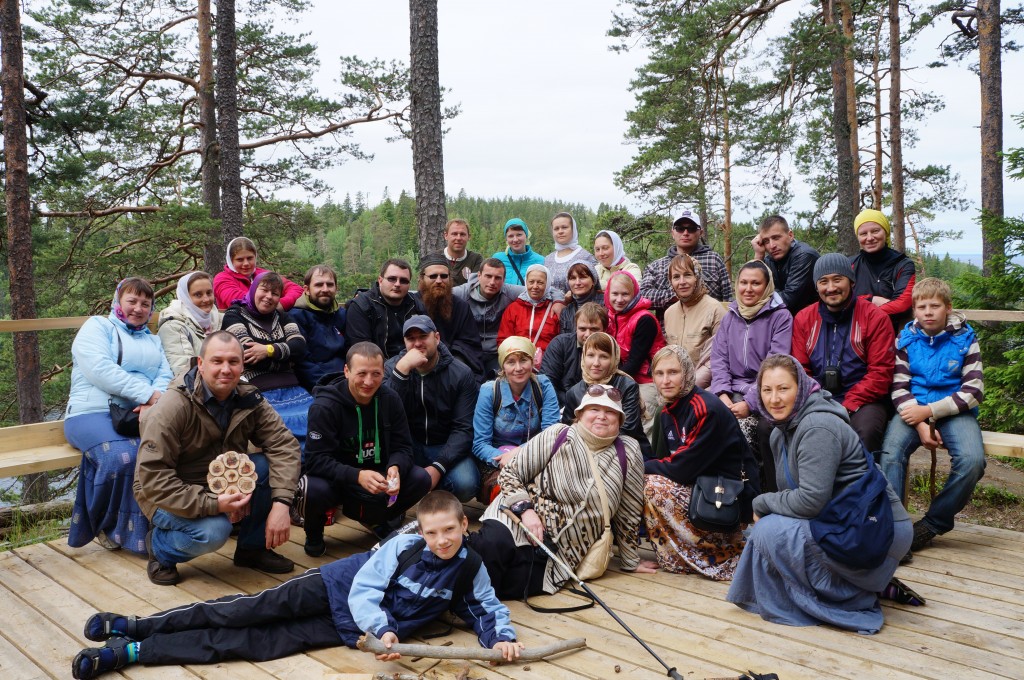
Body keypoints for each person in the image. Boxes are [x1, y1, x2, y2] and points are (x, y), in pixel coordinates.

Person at [71, 491, 523, 680]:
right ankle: (137, 625)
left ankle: (129, 654)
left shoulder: (470, 566)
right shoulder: (404, 547)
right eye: (432, 532)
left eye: (450, 530)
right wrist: (384, 629)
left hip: (350, 631)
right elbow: (365, 589)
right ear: (421, 530)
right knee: (243, 611)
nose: (441, 540)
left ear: (465, 524)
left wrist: (502, 639)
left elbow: (486, 608)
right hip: (336, 590)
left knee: (257, 644)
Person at [726, 354, 912, 634]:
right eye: (767, 390)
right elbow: (795, 496)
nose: (774, 399)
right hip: (843, 522)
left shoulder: (817, 427)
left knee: (768, 530)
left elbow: (810, 502)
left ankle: (851, 592)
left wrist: (761, 502)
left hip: (876, 530)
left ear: (800, 387)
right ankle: (855, 582)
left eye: (783, 389)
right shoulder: (781, 432)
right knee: (761, 533)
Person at [133, 331, 301, 585]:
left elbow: (284, 445)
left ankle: (252, 549)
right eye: (217, 361)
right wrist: (215, 504)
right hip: (164, 493)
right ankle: (160, 549)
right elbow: (154, 479)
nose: (226, 369)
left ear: (242, 365)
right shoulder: (173, 406)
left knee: (265, 466)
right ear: (200, 364)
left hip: (219, 481)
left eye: (233, 362)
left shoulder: (249, 398)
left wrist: (281, 503)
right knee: (213, 532)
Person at [468, 388, 647, 598]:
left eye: (610, 411)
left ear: (620, 419)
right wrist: (526, 511)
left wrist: (631, 560)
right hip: (516, 518)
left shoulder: (628, 450)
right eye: (594, 409)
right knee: (488, 550)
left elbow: (629, 511)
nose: (601, 416)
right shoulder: (559, 433)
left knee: (513, 586)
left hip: (561, 552)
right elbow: (510, 473)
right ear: (580, 414)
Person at [879, 278, 985, 559]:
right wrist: (921, 424)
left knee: (973, 461)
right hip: (913, 409)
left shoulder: (966, 338)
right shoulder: (906, 339)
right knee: (890, 455)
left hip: (954, 411)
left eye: (934, 306)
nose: (928, 312)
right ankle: (894, 532)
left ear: (947, 308)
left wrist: (930, 413)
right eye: (921, 306)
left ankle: (932, 523)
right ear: (914, 310)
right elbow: (899, 386)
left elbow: (974, 391)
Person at [65, 278, 173, 554]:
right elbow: (99, 369)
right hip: (91, 411)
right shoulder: (98, 327)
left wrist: (155, 400)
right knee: (121, 457)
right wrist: (148, 395)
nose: (138, 308)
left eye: (145, 304)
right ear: (118, 301)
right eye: (132, 301)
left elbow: (165, 374)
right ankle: (106, 525)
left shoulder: (152, 340)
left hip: (139, 412)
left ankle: (161, 524)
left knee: (162, 452)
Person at [300, 342, 432, 554]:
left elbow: (404, 447)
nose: (369, 382)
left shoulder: (390, 399)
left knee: (421, 478)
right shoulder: (324, 406)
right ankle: (314, 532)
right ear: (346, 371)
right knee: (312, 488)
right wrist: (357, 475)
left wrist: (396, 467)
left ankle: (377, 518)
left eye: (376, 374)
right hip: (338, 479)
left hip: (378, 476)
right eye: (361, 373)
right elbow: (315, 461)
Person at [643, 346, 760, 579]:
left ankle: (720, 555)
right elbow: (668, 463)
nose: (665, 380)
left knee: (651, 484)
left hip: (727, 501)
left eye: (673, 372)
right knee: (647, 481)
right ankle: (679, 558)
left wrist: (638, 465)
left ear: (687, 373)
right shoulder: (666, 413)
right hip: (698, 492)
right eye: (659, 373)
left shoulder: (706, 408)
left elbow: (679, 469)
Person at [792, 253, 895, 452]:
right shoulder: (804, 318)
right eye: (823, 281)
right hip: (816, 397)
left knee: (866, 431)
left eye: (837, 279)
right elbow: (800, 370)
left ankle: (865, 482)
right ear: (816, 286)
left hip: (864, 400)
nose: (831, 288)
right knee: (778, 427)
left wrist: (847, 405)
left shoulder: (875, 318)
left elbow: (880, 373)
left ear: (851, 282)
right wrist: (818, 402)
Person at [710, 261, 793, 490]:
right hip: (731, 391)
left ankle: (759, 491)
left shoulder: (780, 317)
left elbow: (775, 366)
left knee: (752, 429)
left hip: (765, 392)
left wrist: (750, 402)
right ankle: (715, 493)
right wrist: (723, 394)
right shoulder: (730, 316)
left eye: (756, 283)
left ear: (767, 286)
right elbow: (719, 360)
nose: (748, 289)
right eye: (743, 282)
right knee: (706, 416)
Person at [384, 316, 480, 502]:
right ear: (404, 342)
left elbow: (464, 429)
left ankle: (425, 487)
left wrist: (438, 467)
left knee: (467, 484)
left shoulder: (460, 373)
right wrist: (402, 370)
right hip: (407, 447)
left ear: (436, 337)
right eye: (411, 339)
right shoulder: (393, 368)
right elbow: (385, 414)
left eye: (423, 336)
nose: (417, 343)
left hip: (444, 445)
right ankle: (419, 488)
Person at [221, 272, 312, 442]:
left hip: (293, 388)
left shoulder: (283, 317)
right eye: (264, 290)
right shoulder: (234, 315)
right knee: (283, 428)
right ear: (254, 289)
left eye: (275, 293)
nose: (269, 297)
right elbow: (246, 354)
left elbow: (300, 348)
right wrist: (285, 357)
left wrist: (268, 350)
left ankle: (314, 466)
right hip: (258, 390)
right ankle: (298, 467)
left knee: (317, 420)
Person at [472, 337, 560, 472]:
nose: (518, 368)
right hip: (498, 462)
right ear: (503, 366)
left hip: (536, 457)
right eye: (511, 362)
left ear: (532, 362)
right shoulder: (489, 391)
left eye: (523, 360)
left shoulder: (543, 386)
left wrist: (519, 452)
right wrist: (504, 459)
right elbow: (480, 444)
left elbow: (551, 434)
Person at [561, 331, 652, 459]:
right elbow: (568, 430)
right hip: (585, 453)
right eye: (591, 355)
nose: (596, 363)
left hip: (628, 452)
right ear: (583, 357)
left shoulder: (627, 386)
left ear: (614, 358)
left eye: (603, 356)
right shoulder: (574, 392)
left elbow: (628, 429)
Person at [605, 271, 666, 437]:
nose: (619, 299)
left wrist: (611, 383)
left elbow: (635, 361)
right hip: (622, 378)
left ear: (634, 294)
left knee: (643, 427)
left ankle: (648, 461)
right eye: (615, 294)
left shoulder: (644, 319)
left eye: (625, 294)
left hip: (646, 380)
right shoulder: (610, 317)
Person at [640, 209, 732, 314]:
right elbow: (643, 297)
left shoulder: (714, 260)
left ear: (700, 232)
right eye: (680, 228)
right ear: (673, 233)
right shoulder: (656, 267)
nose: (685, 233)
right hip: (669, 328)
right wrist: (677, 295)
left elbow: (728, 299)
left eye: (691, 229)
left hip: (710, 326)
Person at [416, 254, 484, 380]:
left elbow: (469, 344)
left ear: (450, 279)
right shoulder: (412, 305)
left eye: (443, 276)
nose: (439, 280)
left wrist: (446, 360)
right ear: (422, 278)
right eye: (433, 276)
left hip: (453, 365)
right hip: (418, 364)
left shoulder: (461, 307)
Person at [453, 258, 525, 377]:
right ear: (479, 275)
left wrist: (559, 300)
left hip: (496, 352)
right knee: (462, 375)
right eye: (488, 276)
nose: (492, 282)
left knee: (501, 379)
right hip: (469, 351)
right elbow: (439, 293)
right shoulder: (462, 293)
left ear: (504, 280)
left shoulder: (509, 292)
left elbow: (540, 289)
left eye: (498, 278)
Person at [662, 254, 724, 389]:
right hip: (673, 385)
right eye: (676, 277)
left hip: (707, 386)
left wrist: (689, 387)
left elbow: (718, 360)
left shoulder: (715, 309)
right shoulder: (669, 313)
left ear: (697, 277)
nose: (682, 282)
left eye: (688, 275)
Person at [347, 258, 427, 360]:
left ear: (409, 285)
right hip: (377, 368)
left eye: (403, 280)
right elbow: (362, 353)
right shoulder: (361, 306)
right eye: (392, 279)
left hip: (416, 363)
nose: (397, 284)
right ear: (380, 280)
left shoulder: (416, 304)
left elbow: (430, 339)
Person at [850, 209, 916, 329]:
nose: (869, 238)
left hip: (890, 334)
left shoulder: (902, 264)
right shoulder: (850, 265)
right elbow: (838, 301)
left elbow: (902, 306)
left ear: (886, 232)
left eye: (875, 231)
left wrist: (860, 305)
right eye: (863, 233)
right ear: (858, 237)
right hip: (853, 334)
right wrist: (873, 299)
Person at [290, 264, 347, 392]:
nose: (325, 289)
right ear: (307, 289)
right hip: (318, 385)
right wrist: (329, 386)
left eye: (330, 284)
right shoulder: (297, 317)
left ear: (336, 288)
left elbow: (352, 350)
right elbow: (303, 363)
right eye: (319, 285)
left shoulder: (342, 315)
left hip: (348, 379)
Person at [750, 215, 821, 315]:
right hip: (785, 320)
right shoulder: (769, 260)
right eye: (766, 241)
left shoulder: (804, 255)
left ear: (790, 235)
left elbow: (788, 301)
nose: (772, 246)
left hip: (812, 321)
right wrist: (759, 255)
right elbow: (751, 290)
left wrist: (763, 296)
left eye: (776, 238)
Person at [157, 271, 223, 377]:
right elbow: (184, 371)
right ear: (185, 297)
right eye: (198, 294)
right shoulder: (173, 327)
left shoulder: (219, 319)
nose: (206, 299)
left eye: (209, 293)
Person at [213, 236, 303, 311]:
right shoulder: (222, 279)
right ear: (230, 261)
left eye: (250, 258)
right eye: (240, 259)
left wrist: (282, 304)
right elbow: (240, 302)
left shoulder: (264, 274)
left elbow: (296, 289)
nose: (246, 263)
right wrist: (272, 302)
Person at [542, 302, 606, 406]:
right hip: (560, 406)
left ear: (604, 330)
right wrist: (573, 402)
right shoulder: (560, 344)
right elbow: (547, 384)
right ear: (575, 327)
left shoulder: (611, 350)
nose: (587, 334)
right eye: (582, 329)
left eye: (594, 329)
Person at [497, 264, 561, 365]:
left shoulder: (555, 309)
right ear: (526, 283)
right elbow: (504, 340)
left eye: (540, 282)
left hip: (548, 363)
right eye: (531, 282)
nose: (535, 287)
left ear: (547, 284)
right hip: (518, 363)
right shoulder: (514, 308)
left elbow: (561, 342)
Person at [543, 211, 597, 296]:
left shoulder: (586, 257)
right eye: (556, 228)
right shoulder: (548, 259)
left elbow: (595, 288)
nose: (560, 231)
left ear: (573, 229)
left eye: (564, 227)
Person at [491, 218, 544, 286]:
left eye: (519, 235)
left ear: (526, 235)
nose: (515, 239)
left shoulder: (540, 261)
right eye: (511, 236)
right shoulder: (497, 259)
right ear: (506, 239)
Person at [558, 261, 603, 334]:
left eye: (582, 277)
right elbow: (565, 340)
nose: (577, 283)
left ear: (593, 281)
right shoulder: (566, 311)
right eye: (573, 278)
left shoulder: (605, 304)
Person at [436, 218, 484, 286]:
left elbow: (474, 287)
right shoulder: (435, 257)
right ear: (446, 236)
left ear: (469, 237)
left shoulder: (476, 259)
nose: (458, 238)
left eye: (462, 234)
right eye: (454, 234)